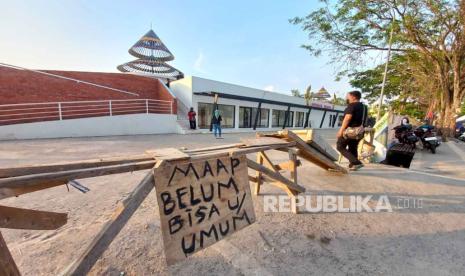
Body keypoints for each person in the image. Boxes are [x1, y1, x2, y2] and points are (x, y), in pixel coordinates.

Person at [336, 90, 367, 171]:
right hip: (360, 131)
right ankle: (353, 165)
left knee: (340, 146)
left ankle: (356, 163)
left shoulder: (352, 105)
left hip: (350, 131)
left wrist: (341, 130)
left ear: (353, 97)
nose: (347, 97)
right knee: (353, 147)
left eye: (348, 96)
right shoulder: (364, 107)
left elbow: (347, 118)